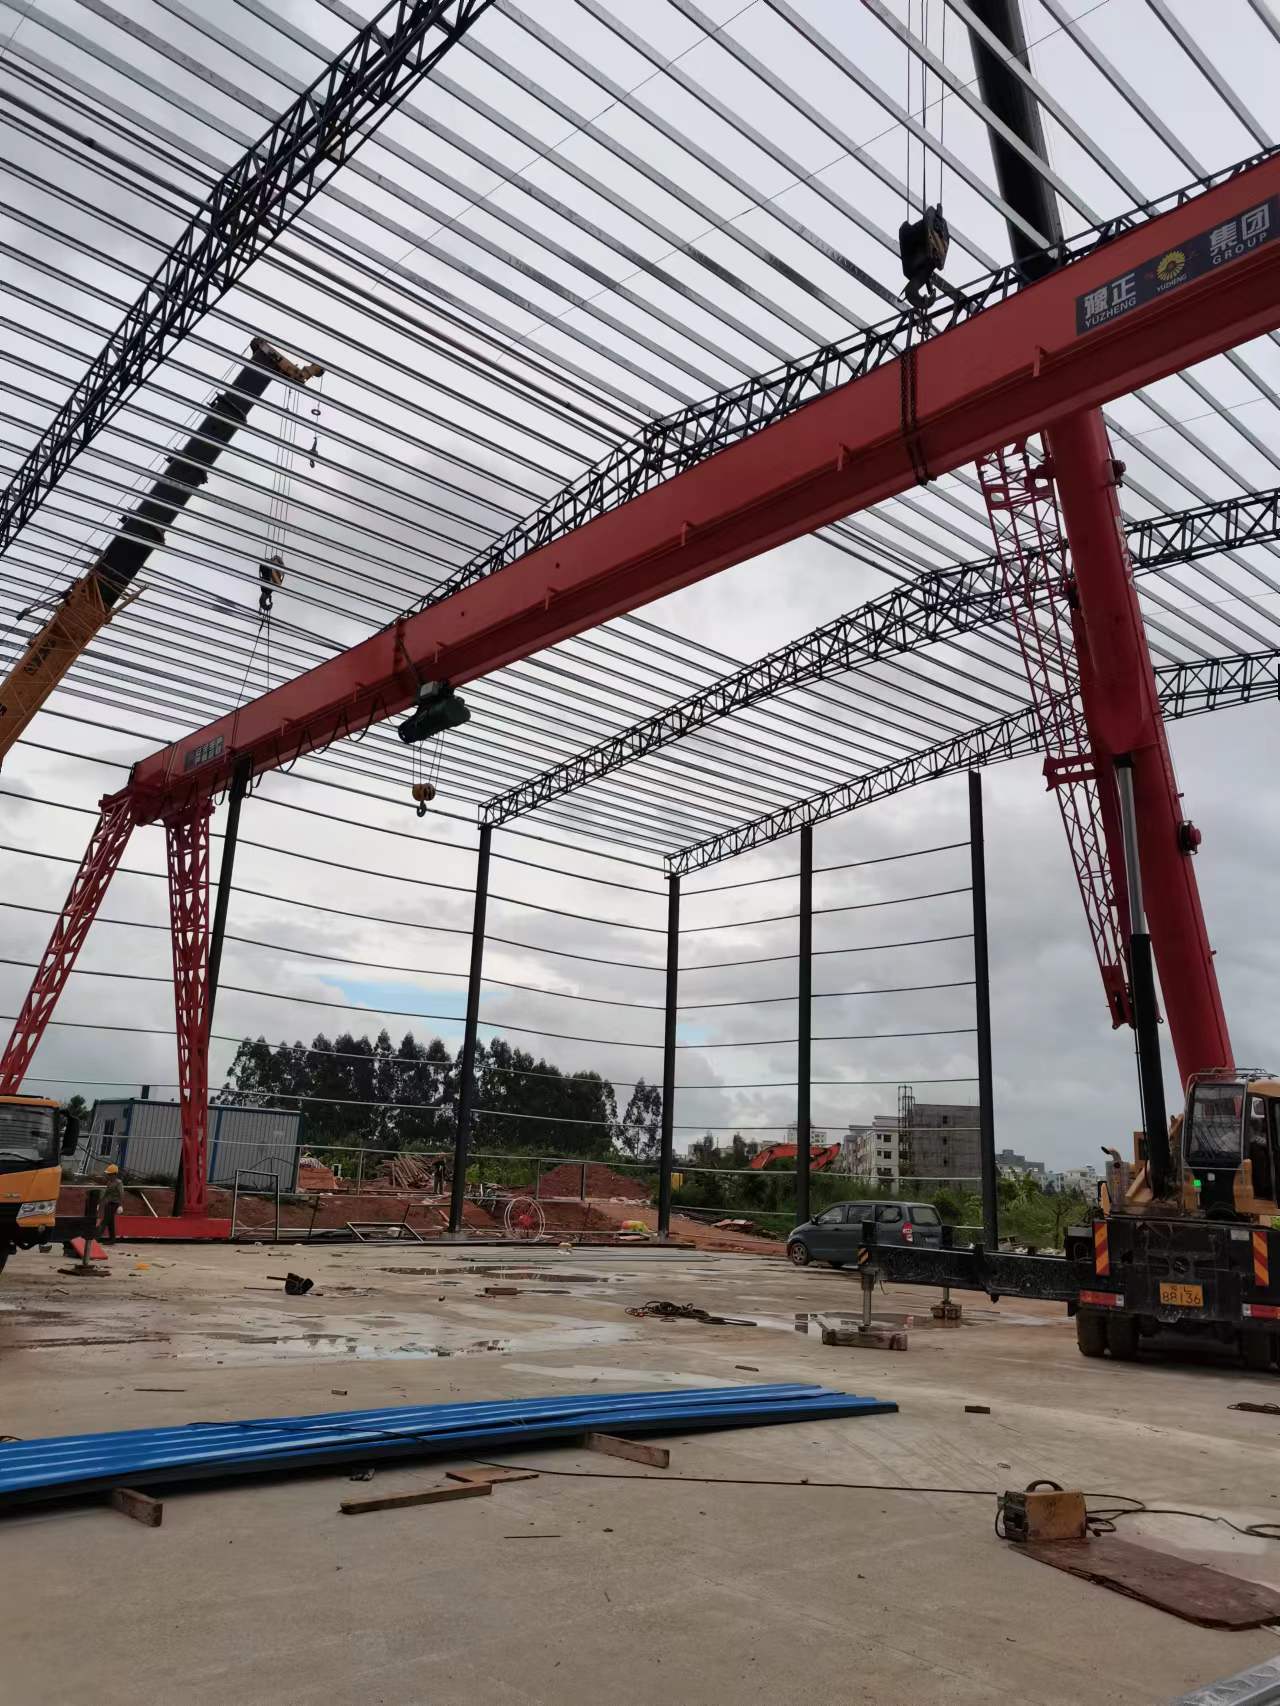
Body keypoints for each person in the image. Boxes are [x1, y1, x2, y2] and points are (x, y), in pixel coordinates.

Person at [100, 1163, 125, 1243]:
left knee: (105, 1221)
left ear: (114, 1174)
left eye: (109, 1174)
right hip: (108, 1204)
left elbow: (121, 1194)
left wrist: (120, 1205)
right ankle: (112, 1239)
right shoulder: (109, 1182)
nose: (108, 1176)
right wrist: (100, 1202)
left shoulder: (118, 1183)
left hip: (114, 1204)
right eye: (108, 1174)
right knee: (110, 1222)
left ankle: (96, 1237)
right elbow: (106, 1193)